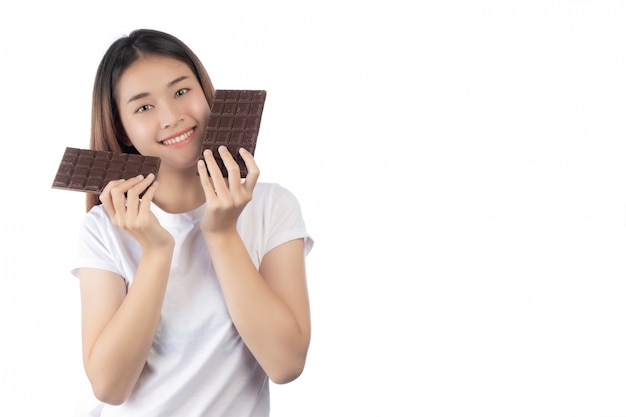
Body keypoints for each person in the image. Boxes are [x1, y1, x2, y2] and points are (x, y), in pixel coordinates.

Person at [72, 28, 313, 417]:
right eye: (143, 107)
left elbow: (286, 364)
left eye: (182, 91)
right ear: (122, 129)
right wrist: (155, 251)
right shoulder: (105, 227)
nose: (171, 117)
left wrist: (221, 233)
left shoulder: (272, 206)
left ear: (206, 94)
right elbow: (110, 387)